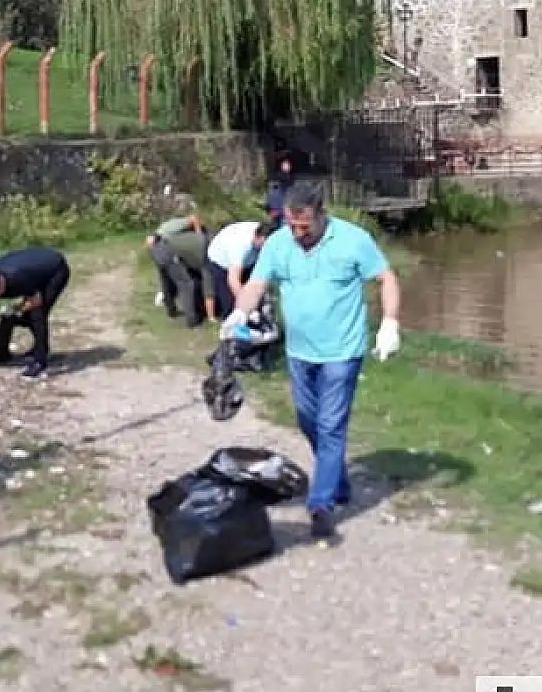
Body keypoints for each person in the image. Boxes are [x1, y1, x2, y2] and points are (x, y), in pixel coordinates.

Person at [221, 181, 401, 543]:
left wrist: (390, 323)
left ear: (322, 214)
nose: (298, 233)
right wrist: (239, 313)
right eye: (292, 225)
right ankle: (338, 481)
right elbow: (257, 284)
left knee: (331, 424)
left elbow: (386, 277)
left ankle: (321, 505)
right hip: (300, 351)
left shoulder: (353, 240)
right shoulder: (279, 243)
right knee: (307, 419)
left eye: (305, 226)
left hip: (343, 351)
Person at [0, 246, 71, 381]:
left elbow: (35, 301)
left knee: (38, 314)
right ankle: (38, 347)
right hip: (35, 266)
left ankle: (40, 362)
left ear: (1, 282)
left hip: (56, 270)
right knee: (25, 315)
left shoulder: (18, 278)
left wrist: (16, 310)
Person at [145, 205, 209, 327]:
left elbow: (150, 241)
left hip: (157, 250)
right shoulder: (177, 225)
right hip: (166, 250)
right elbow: (193, 218)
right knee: (187, 284)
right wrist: (199, 234)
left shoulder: (166, 228)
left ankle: (171, 311)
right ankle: (192, 321)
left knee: (166, 282)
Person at [203, 216, 276, 323]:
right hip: (220, 262)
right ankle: (231, 327)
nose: (267, 248)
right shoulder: (239, 246)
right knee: (230, 301)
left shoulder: (266, 236)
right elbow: (233, 280)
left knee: (256, 292)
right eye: (264, 245)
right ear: (257, 237)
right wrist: (246, 302)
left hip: (249, 260)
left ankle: (259, 322)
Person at [265, 151, 297, 224]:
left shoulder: (295, 184)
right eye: (284, 164)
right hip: (279, 219)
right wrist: (271, 211)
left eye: (288, 164)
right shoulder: (274, 185)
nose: (286, 166)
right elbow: (269, 206)